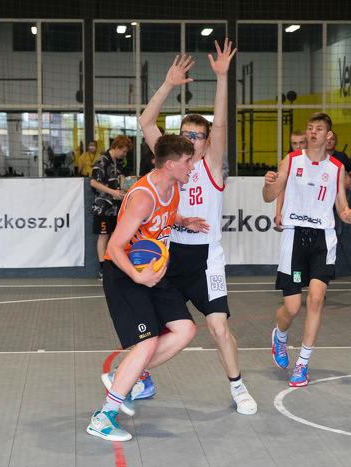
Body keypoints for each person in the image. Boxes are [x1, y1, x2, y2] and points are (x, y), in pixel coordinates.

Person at [140, 41, 257, 415]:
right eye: (186, 135)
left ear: (207, 143)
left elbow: (220, 123)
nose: (191, 141)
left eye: (198, 136)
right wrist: (167, 84)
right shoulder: (172, 163)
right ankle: (139, 377)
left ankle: (238, 387)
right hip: (169, 255)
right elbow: (146, 123)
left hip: (207, 260)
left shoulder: (212, 166)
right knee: (156, 330)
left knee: (219, 327)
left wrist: (222, 77)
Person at [86, 134, 208, 442]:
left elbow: (165, 215)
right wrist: (137, 277)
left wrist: (183, 221)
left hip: (151, 272)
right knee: (147, 343)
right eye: (187, 161)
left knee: (185, 330)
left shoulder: (172, 188)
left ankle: (122, 376)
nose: (192, 167)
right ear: (170, 165)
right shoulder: (143, 197)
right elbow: (114, 247)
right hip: (125, 273)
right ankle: (103, 417)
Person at [263, 112, 351, 387]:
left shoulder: (337, 168)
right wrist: (267, 185)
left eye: (319, 128)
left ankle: (302, 364)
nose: (313, 132)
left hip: (322, 240)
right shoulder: (291, 160)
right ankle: (280, 336)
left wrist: (348, 214)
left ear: (329, 136)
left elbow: (341, 205)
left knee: (316, 300)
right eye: (310, 128)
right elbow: (269, 196)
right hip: (295, 238)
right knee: (292, 308)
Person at [91, 135, 132, 280]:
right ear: (117, 147)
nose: (124, 154)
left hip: (116, 207)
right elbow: (94, 182)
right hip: (103, 206)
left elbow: (119, 178)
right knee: (103, 235)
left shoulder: (118, 162)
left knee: (116, 236)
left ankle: (113, 265)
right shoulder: (102, 160)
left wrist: (127, 186)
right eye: (123, 151)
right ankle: (102, 268)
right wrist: (112, 192)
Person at [275, 131, 307, 231]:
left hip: (314, 214)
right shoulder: (286, 162)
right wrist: (278, 213)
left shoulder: (319, 160)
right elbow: (281, 189)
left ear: (308, 142)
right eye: (294, 143)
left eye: (301, 142)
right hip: (292, 213)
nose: (298, 146)